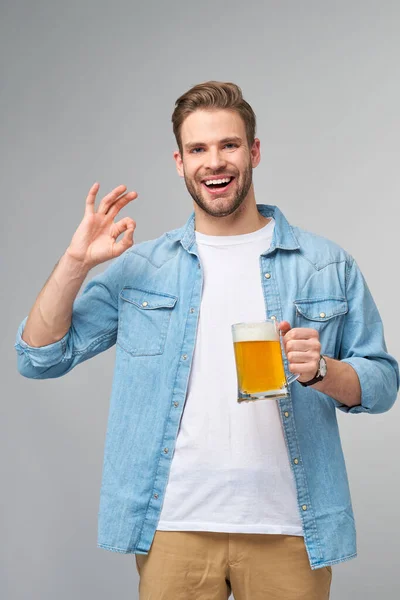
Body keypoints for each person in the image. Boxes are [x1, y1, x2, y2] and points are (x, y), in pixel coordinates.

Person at [15, 81, 399, 600]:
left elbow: (382, 383)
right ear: (179, 161)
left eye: (229, 145)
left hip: (288, 529)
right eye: (198, 149)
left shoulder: (323, 264)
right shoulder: (143, 269)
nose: (213, 162)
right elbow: (39, 357)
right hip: (174, 526)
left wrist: (323, 370)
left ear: (254, 151)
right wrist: (75, 264)